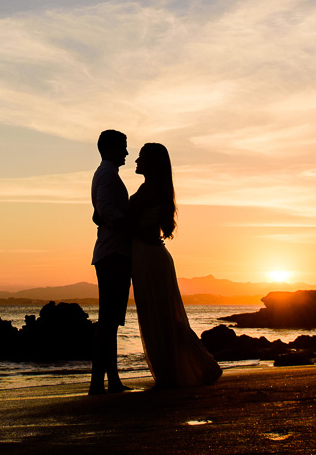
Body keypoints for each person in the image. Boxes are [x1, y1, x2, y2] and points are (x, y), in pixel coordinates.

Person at [128, 143, 222, 388]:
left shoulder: (149, 189)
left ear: (151, 163)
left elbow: (134, 225)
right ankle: (187, 368)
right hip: (151, 257)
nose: (136, 161)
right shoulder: (156, 188)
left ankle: (181, 372)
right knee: (165, 317)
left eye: (141, 157)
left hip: (149, 258)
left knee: (158, 317)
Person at [89, 129, 133, 395]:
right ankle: (98, 382)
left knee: (111, 320)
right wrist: (131, 225)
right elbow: (104, 210)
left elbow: (99, 212)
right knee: (108, 320)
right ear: (109, 148)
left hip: (111, 252)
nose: (126, 152)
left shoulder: (106, 174)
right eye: (122, 147)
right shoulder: (106, 174)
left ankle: (111, 380)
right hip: (112, 253)